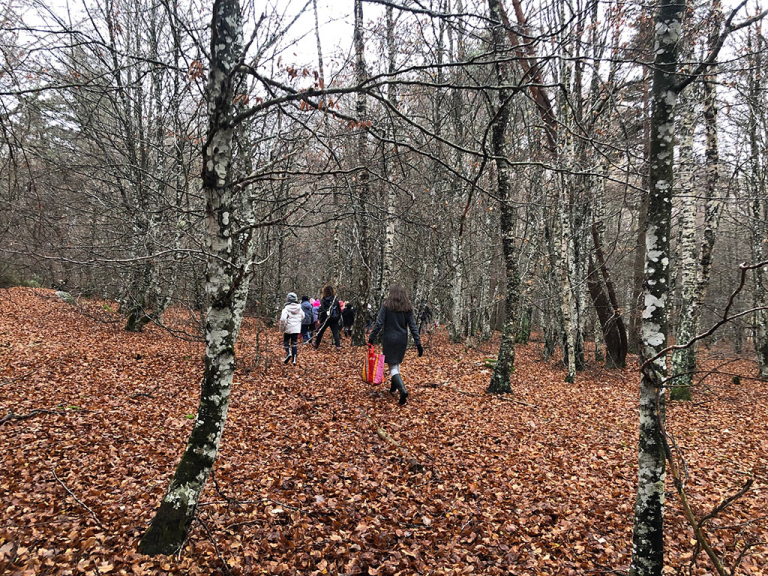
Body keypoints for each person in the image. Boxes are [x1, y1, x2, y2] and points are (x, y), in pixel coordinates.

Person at [368, 285, 424, 405]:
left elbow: (379, 323)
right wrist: (418, 344)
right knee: (395, 363)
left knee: (393, 366)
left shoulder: (386, 305)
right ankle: (393, 388)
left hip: (389, 339)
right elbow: (413, 327)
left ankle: (402, 390)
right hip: (402, 340)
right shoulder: (407, 307)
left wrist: (371, 338)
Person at [314, 284, 342, 350]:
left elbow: (321, 310)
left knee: (321, 332)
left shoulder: (323, 300)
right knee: (335, 333)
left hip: (325, 319)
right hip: (334, 318)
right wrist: (337, 318)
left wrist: (320, 319)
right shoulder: (335, 300)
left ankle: (316, 344)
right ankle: (338, 346)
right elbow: (339, 310)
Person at [279, 292, 303, 365]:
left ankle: (288, 353)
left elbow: (283, 319)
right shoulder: (299, 308)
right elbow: (303, 316)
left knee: (286, 342)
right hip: (296, 329)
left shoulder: (286, 309)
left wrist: (281, 329)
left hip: (288, 328)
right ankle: (294, 359)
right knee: (294, 344)